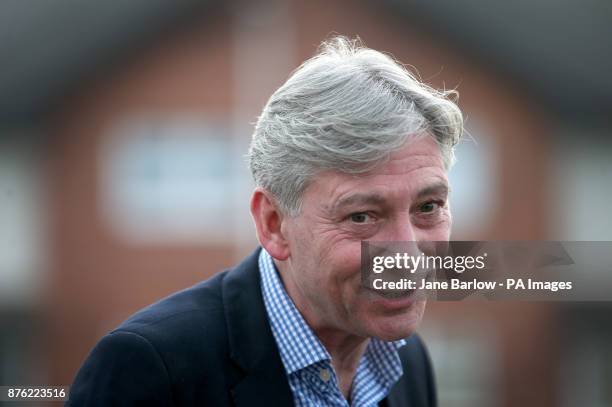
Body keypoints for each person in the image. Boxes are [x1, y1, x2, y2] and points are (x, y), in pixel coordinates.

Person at [67, 36, 463, 407]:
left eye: (428, 207)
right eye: (361, 216)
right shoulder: (149, 369)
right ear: (273, 224)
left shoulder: (406, 362)